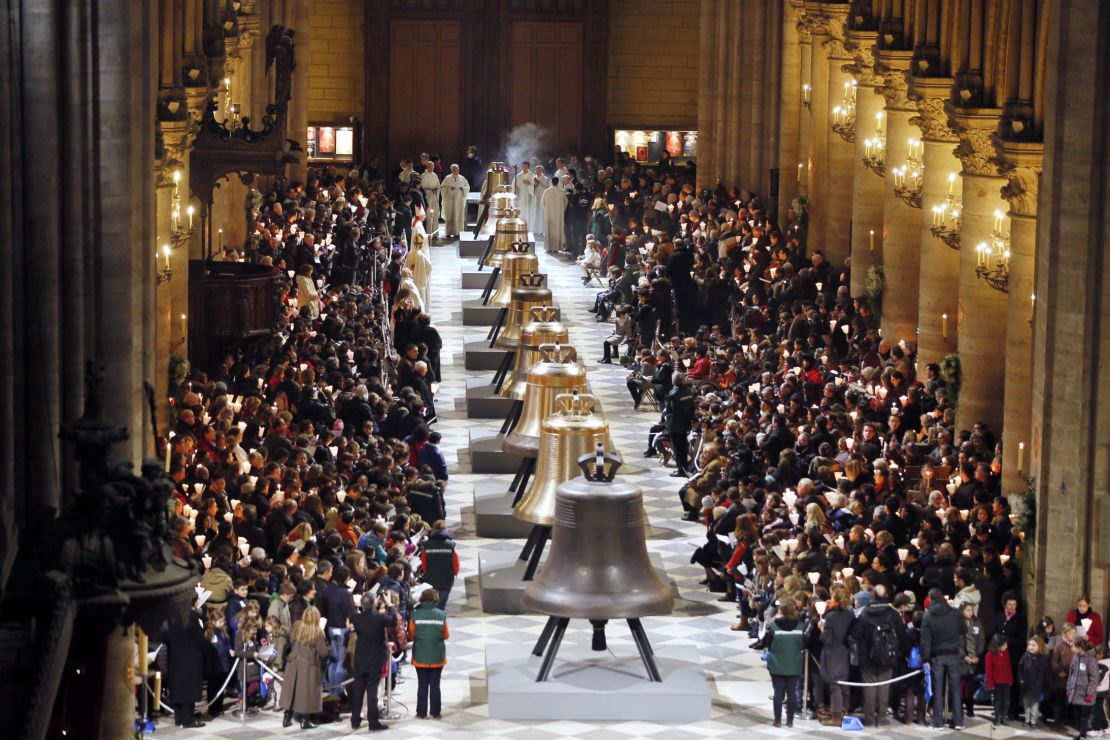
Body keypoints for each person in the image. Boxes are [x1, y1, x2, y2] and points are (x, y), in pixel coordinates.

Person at [852, 583, 908, 728]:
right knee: (884, 686)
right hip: (888, 656)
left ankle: (870, 718)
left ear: (873, 596)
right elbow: (902, 635)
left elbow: (855, 634)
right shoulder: (893, 613)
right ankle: (882, 717)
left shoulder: (865, 613)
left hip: (867, 656)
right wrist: (904, 653)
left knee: (869, 687)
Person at [921, 586, 968, 729]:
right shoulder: (954, 613)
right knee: (955, 688)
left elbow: (926, 640)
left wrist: (925, 659)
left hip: (937, 656)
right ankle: (958, 721)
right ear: (942, 597)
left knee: (938, 689)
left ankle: (938, 722)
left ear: (930, 599)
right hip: (953, 654)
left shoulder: (928, 616)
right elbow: (963, 630)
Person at [280, 605, 328, 729]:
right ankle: (305, 721)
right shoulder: (317, 632)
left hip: (293, 663)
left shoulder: (297, 626)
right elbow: (323, 652)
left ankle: (286, 718)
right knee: (307, 694)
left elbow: (291, 641)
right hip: (309, 666)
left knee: (292, 691)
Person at [348, 593, 392, 732]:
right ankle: (373, 722)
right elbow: (393, 621)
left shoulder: (355, 617)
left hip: (360, 658)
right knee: (372, 692)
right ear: (373, 604)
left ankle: (355, 721)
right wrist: (390, 605)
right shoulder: (380, 618)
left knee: (358, 690)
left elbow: (351, 617)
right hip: (375, 659)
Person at [758, 601, 805, 728]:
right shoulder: (801, 626)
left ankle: (777, 721)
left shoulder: (773, 626)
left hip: (777, 664)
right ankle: (790, 721)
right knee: (792, 693)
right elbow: (803, 644)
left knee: (778, 693)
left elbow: (768, 644)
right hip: (794, 664)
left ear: (781, 611)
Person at [164, 596, 208, 728]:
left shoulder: (171, 616)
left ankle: (179, 719)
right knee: (188, 688)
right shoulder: (192, 617)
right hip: (190, 658)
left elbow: (165, 637)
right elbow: (199, 639)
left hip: (175, 657)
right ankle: (188, 720)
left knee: (178, 687)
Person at [409, 587, 450, 719]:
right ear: (435, 600)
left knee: (422, 684)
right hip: (437, 657)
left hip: (420, 657)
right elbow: (446, 635)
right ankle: (436, 712)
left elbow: (411, 634)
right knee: (435, 684)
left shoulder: (415, 615)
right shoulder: (441, 615)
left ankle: (421, 713)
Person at [818, 585, 855, 726]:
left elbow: (826, 639)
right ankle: (844, 710)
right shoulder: (850, 613)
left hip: (833, 652)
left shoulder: (831, 616)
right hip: (845, 650)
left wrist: (822, 629)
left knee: (835, 685)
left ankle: (836, 716)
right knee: (844, 683)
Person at [420, 520, 459, 609]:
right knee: (442, 601)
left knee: (431, 599)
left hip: (431, 576)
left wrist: (427, 572)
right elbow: (456, 562)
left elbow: (424, 562)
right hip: (447, 578)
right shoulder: (451, 545)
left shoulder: (427, 545)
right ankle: (440, 615)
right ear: (445, 529)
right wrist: (455, 573)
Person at [1069, 639, 1100, 739]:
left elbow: (1094, 678)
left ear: (1079, 648)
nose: (1072, 648)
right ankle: (1081, 733)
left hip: (1085, 694)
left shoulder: (1090, 659)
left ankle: (1082, 735)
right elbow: (1071, 673)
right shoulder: (1075, 657)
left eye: (1074, 646)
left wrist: (1089, 693)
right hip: (1076, 692)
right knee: (1078, 715)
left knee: (1084, 716)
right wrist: (1069, 688)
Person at [1019, 635, 1051, 727]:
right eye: (1030, 645)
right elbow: (1020, 668)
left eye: (1034, 645)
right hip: (1026, 684)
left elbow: (1042, 673)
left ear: (1039, 647)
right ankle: (1027, 719)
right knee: (1026, 703)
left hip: (1036, 686)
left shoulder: (1042, 659)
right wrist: (1021, 679)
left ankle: (1033, 720)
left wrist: (1037, 683)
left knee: (1034, 704)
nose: (1031, 647)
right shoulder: (1025, 656)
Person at [985, 633, 1014, 726]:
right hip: (996, 682)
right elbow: (988, 670)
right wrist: (990, 684)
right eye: (1004, 645)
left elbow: (1008, 667)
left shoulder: (1006, 653)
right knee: (998, 701)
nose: (1006, 646)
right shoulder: (990, 655)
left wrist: (1010, 678)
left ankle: (1004, 717)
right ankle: (997, 717)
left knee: (1007, 701)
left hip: (1006, 681)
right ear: (997, 646)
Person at [405, 231, 433, 311]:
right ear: (421, 245)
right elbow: (429, 267)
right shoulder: (421, 256)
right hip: (420, 282)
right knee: (421, 300)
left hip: (411, 282)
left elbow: (405, 267)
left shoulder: (410, 253)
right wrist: (424, 275)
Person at [541, 176, 569, 253]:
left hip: (548, 214)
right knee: (557, 230)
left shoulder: (546, 191)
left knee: (549, 230)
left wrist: (546, 211)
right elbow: (566, 203)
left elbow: (542, 202)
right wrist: (562, 211)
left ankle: (549, 247)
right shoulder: (561, 192)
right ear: (558, 182)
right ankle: (556, 247)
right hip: (558, 215)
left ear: (551, 182)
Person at [440, 164, 469, 238]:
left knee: (458, 215)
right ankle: (449, 232)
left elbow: (467, 187)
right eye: (454, 169)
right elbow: (442, 187)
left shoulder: (462, 178)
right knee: (450, 214)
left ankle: (458, 232)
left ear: (459, 169)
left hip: (459, 201)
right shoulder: (447, 178)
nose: (456, 171)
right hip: (450, 201)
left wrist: (463, 189)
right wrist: (449, 188)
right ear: (451, 170)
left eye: (457, 169)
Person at [419, 160, 441, 238]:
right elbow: (421, 187)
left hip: (434, 197)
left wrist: (436, 189)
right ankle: (428, 232)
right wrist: (429, 189)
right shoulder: (423, 175)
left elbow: (438, 186)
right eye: (430, 167)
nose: (432, 168)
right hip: (427, 197)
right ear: (427, 167)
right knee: (428, 215)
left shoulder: (435, 175)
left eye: (433, 167)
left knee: (434, 215)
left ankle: (434, 233)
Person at [512, 160, 536, 226]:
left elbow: (535, 187)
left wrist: (529, 184)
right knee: (521, 210)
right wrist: (515, 189)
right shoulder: (518, 176)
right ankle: (520, 224)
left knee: (528, 211)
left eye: (526, 166)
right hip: (520, 197)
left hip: (528, 197)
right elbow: (513, 187)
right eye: (523, 166)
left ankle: (528, 225)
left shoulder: (532, 176)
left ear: (528, 167)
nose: (524, 168)